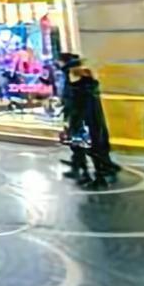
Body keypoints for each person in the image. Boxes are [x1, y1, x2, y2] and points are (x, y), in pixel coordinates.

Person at [57, 53, 119, 187]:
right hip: (86, 122)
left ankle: (100, 177)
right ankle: (87, 172)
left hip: (84, 122)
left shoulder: (80, 88)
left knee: (91, 149)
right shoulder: (87, 85)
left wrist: (70, 118)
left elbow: (76, 105)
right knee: (84, 147)